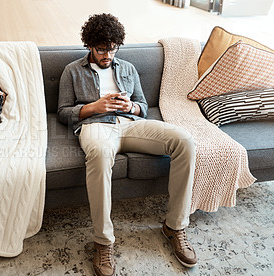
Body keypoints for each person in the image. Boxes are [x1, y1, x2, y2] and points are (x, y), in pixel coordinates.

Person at [57, 13, 197, 276]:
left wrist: (131, 105)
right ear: (89, 45)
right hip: (95, 126)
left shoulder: (128, 69)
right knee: (98, 154)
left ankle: (175, 226)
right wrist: (92, 107)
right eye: (101, 49)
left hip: (130, 124)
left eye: (111, 49)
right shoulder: (72, 71)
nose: (107, 55)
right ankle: (103, 241)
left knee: (185, 141)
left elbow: (143, 106)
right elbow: (63, 112)